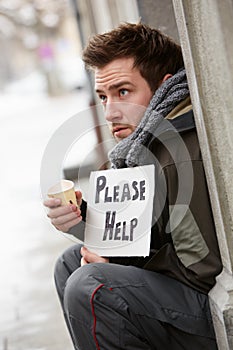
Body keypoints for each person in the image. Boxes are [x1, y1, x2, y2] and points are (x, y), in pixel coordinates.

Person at [44, 23, 222, 349]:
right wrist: (84, 218)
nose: (110, 112)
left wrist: (114, 263)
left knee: (91, 285)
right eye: (103, 97)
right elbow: (150, 230)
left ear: (164, 87)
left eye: (123, 92)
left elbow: (201, 273)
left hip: (208, 312)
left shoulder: (176, 153)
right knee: (70, 263)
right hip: (181, 292)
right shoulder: (142, 146)